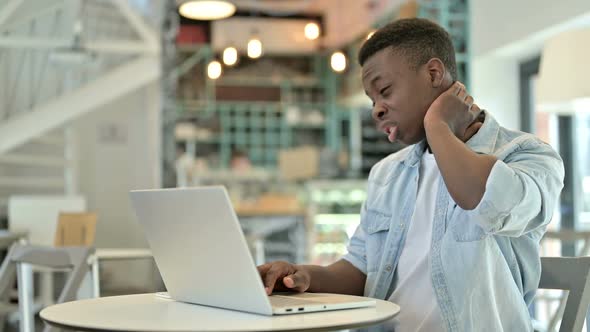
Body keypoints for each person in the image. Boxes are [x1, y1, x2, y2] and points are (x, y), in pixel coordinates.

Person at [257, 18, 564, 331]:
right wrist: (302, 276)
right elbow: (362, 270)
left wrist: (438, 126)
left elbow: (484, 201)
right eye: (372, 100)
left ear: (433, 73)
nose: (376, 109)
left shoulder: (527, 156)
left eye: (385, 91)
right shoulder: (387, 173)